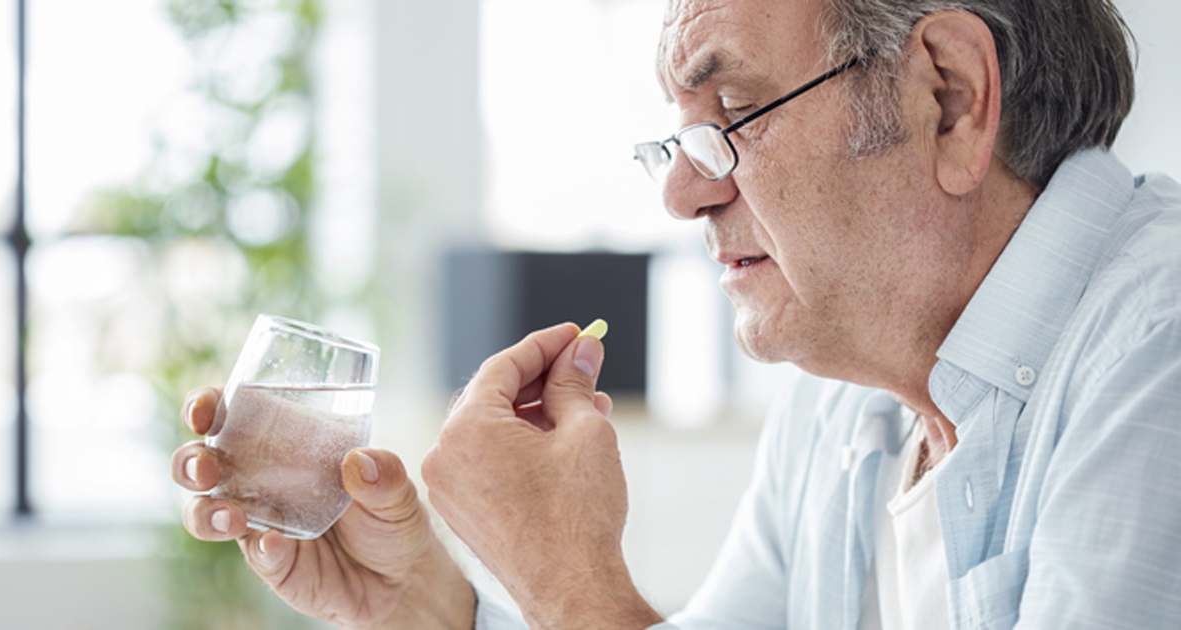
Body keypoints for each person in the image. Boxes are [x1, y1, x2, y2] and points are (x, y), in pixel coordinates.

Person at [171, 0, 1181, 627]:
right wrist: (442, 614)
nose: (681, 195)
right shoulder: (846, 412)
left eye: (732, 118)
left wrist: (572, 588)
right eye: (682, 140)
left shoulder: (1160, 346)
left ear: (950, 97)